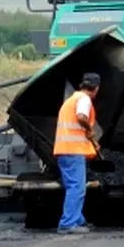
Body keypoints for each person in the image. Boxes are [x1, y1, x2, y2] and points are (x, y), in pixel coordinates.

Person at [54, 73, 102, 234]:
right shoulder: (84, 100)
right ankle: (68, 223)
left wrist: (90, 139)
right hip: (73, 151)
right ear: (96, 89)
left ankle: (78, 219)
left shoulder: (72, 99)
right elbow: (81, 116)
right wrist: (90, 128)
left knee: (73, 187)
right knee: (77, 188)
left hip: (65, 150)